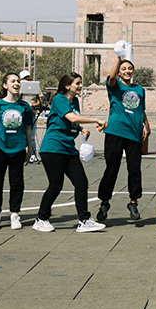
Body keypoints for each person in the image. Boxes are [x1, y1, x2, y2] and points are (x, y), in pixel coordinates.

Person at [33, 73, 107, 233]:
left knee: (81, 183)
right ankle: (41, 219)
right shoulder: (60, 99)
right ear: (67, 86)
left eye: (81, 83)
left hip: (68, 148)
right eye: (78, 83)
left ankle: (84, 220)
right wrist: (95, 120)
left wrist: (81, 128)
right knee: (56, 185)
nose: (81, 86)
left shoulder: (76, 101)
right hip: (53, 148)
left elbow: (69, 120)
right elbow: (71, 118)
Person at [97, 47, 151, 224]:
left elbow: (141, 109)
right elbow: (111, 77)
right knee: (112, 168)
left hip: (134, 134)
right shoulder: (115, 86)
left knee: (134, 169)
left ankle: (133, 202)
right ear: (120, 72)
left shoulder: (139, 89)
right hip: (115, 132)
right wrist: (118, 58)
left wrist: (146, 124)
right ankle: (104, 202)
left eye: (129, 69)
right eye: (124, 69)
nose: (127, 71)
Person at [0, 72, 33, 230]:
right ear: (5, 85)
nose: (17, 83)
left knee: (17, 182)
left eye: (18, 81)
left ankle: (14, 214)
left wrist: (30, 149)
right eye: (13, 81)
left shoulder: (24, 106)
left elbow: (27, 128)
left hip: (18, 148)